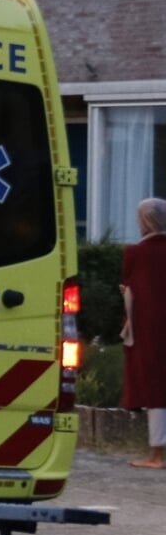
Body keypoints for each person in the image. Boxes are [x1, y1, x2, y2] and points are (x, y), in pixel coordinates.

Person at [123, 197, 166, 469]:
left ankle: (157, 454)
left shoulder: (135, 253)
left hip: (149, 324)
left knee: (154, 388)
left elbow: (130, 289)